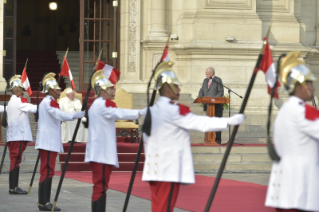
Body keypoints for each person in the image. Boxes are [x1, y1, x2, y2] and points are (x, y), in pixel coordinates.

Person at [142, 61, 245, 212]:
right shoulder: (173, 110)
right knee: (165, 208)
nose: (179, 89)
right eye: (176, 86)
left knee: (158, 207)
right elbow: (199, 122)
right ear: (168, 88)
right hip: (167, 170)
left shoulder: (154, 110)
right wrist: (229, 121)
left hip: (155, 168)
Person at [84, 70, 146, 212]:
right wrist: (141, 112)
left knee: (102, 185)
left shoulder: (101, 104)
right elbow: (118, 113)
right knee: (100, 186)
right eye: (111, 88)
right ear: (103, 91)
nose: (114, 89)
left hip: (102, 152)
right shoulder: (101, 105)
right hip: (100, 153)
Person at [265, 52, 319, 212]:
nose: (313, 88)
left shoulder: (286, 110)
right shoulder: (303, 111)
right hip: (301, 185)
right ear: (300, 86)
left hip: (286, 184)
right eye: (310, 84)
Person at [35, 73, 85, 211]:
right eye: (57, 90)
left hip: (49, 142)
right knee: (47, 171)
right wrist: (75, 115)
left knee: (48, 171)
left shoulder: (48, 101)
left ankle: (44, 202)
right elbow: (59, 114)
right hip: (48, 142)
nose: (59, 92)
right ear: (51, 90)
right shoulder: (49, 102)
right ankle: (43, 203)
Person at [6, 75, 37, 195]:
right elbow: (32, 108)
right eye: (22, 90)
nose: (23, 92)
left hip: (15, 136)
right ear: (17, 90)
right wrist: (45, 106)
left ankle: (14, 186)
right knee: (15, 160)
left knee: (15, 160)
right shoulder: (18, 101)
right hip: (18, 136)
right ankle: (13, 187)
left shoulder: (12, 101)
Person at [198, 67, 224, 143]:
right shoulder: (205, 81)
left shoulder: (218, 80)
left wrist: (214, 99)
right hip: (208, 106)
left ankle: (218, 140)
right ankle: (208, 139)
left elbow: (220, 92)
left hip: (217, 106)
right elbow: (202, 90)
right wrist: (200, 97)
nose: (206, 74)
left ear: (211, 73)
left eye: (207, 73)